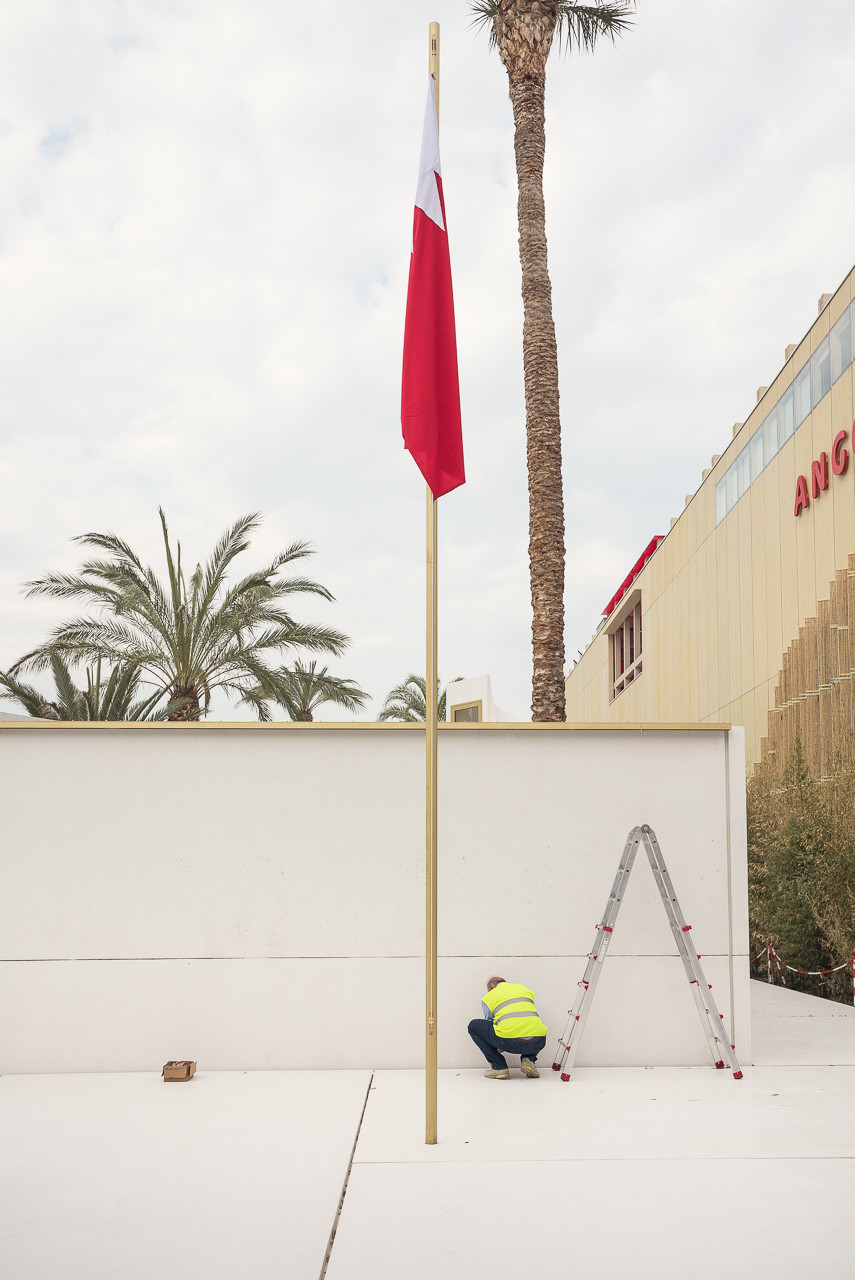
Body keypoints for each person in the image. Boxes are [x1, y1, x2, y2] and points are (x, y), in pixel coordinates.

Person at [468, 975, 548, 1079]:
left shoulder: (489, 996)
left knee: (473, 1026)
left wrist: (498, 1044)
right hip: (539, 1041)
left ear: (490, 988)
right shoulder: (523, 989)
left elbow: (490, 1023)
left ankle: (498, 1067)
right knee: (534, 1026)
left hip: (509, 1042)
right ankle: (529, 1059)